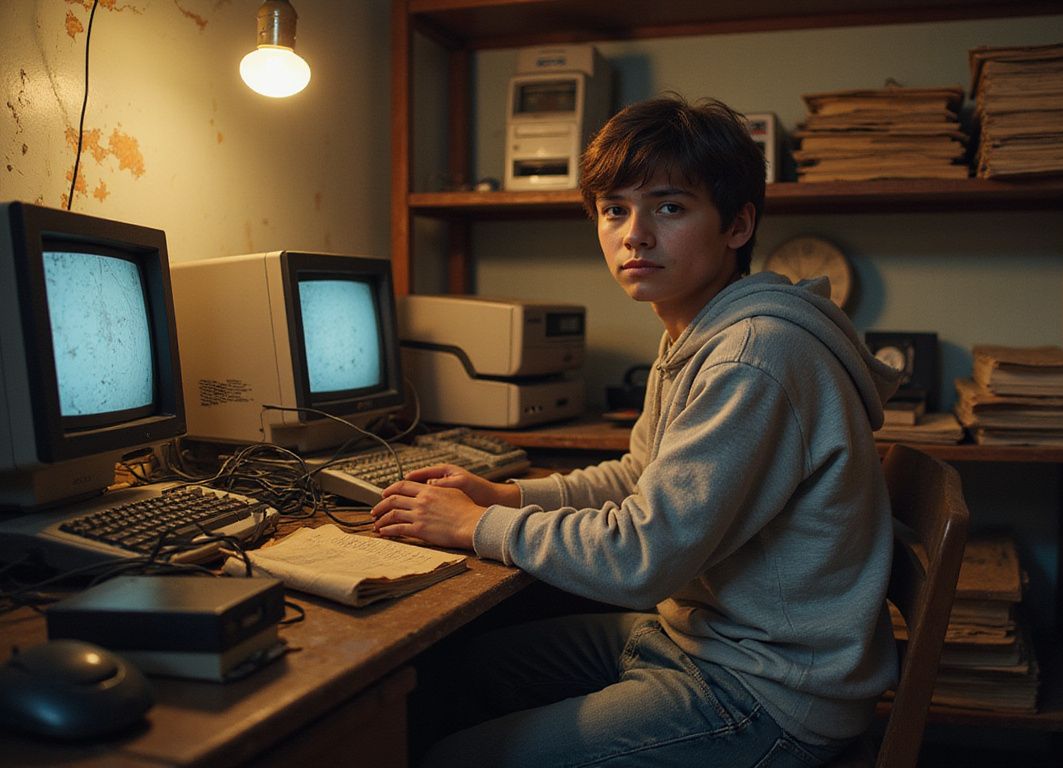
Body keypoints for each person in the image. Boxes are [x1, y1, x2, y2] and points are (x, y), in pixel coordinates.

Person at [371, 94, 904, 767]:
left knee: (454, 757)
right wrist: (506, 498)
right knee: (456, 674)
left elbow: (643, 554)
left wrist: (472, 527)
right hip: (700, 640)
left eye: (669, 207)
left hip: (765, 693)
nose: (635, 234)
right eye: (614, 210)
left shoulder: (754, 355)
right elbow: (639, 478)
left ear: (738, 225)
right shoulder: (696, 330)